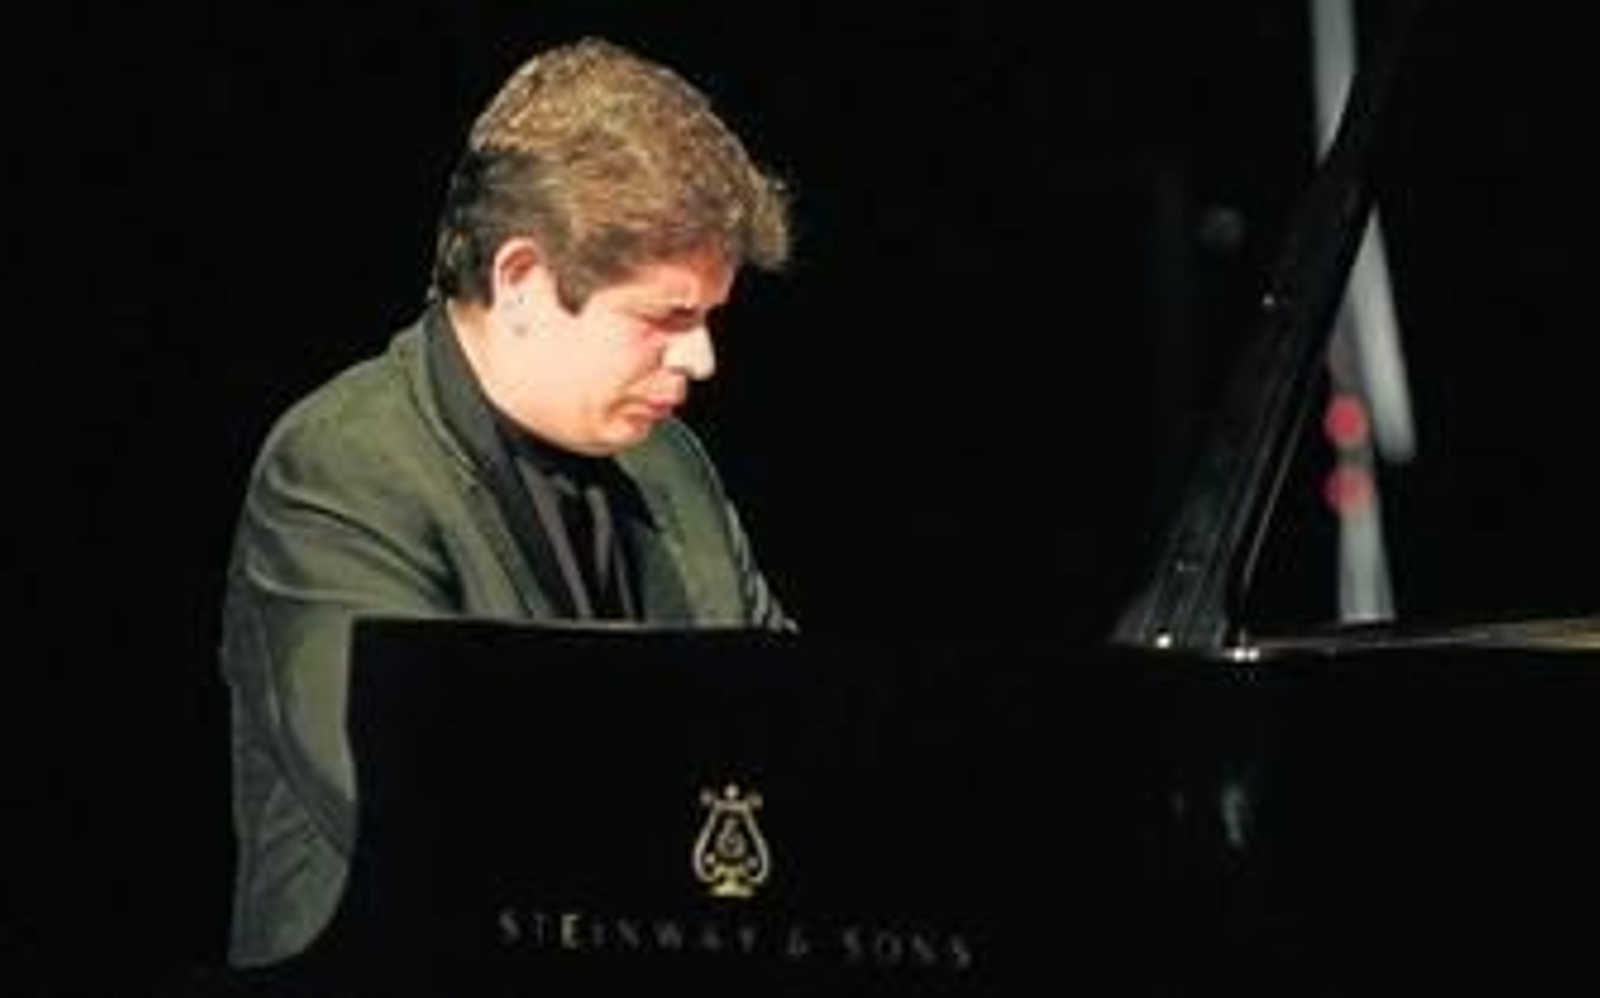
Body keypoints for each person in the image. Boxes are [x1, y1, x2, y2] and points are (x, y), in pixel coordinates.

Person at [218, 35, 796, 968]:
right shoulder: (341, 468)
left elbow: (792, 734)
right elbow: (411, 806)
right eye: (667, 316)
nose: (702, 359)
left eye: (708, 318)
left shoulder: (674, 469)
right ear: (522, 281)